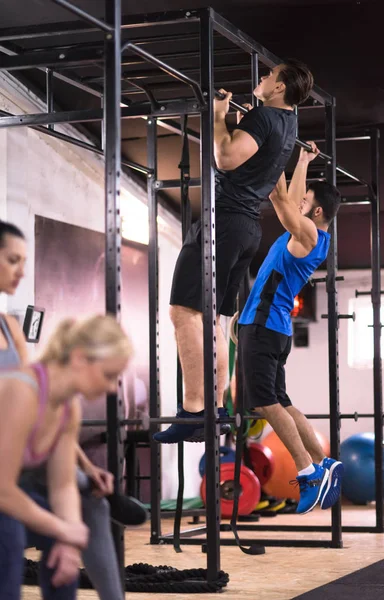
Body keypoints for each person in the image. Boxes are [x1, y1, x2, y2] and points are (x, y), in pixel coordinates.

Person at [155, 59, 314, 444]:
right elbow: (267, 180)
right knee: (214, 319)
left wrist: (217, 115)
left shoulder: (264, 117)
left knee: (184, 312)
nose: (260, 79)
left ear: (278, 87)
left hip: (223, 222)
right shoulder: (288, 124)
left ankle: (194, 411)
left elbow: (225, 157)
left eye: (266, 75)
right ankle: (218, 408)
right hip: (246, 229)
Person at [0, 221, 146, 599]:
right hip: (7, 472)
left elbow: (44, 413)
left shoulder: (11, 331)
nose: (21, 270)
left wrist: (83, 469)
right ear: (80, 359)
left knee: (82, 498)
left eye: (24, 260)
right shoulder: (19, 390)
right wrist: (64, 528)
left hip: (21, 462)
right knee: (20, 529)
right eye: (12, 259)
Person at [238, 142, 343, 514]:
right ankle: (324, 462)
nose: (300, 204)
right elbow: (287, 196)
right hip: (267, 324)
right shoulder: (309, 235)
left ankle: (308, 472)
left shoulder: (309, 236)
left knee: (266, 403)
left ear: (316, 211)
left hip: (266, 327)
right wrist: (301, 160)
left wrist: (273, 146)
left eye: (307, 202)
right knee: (281, 402)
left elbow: (283, 201)